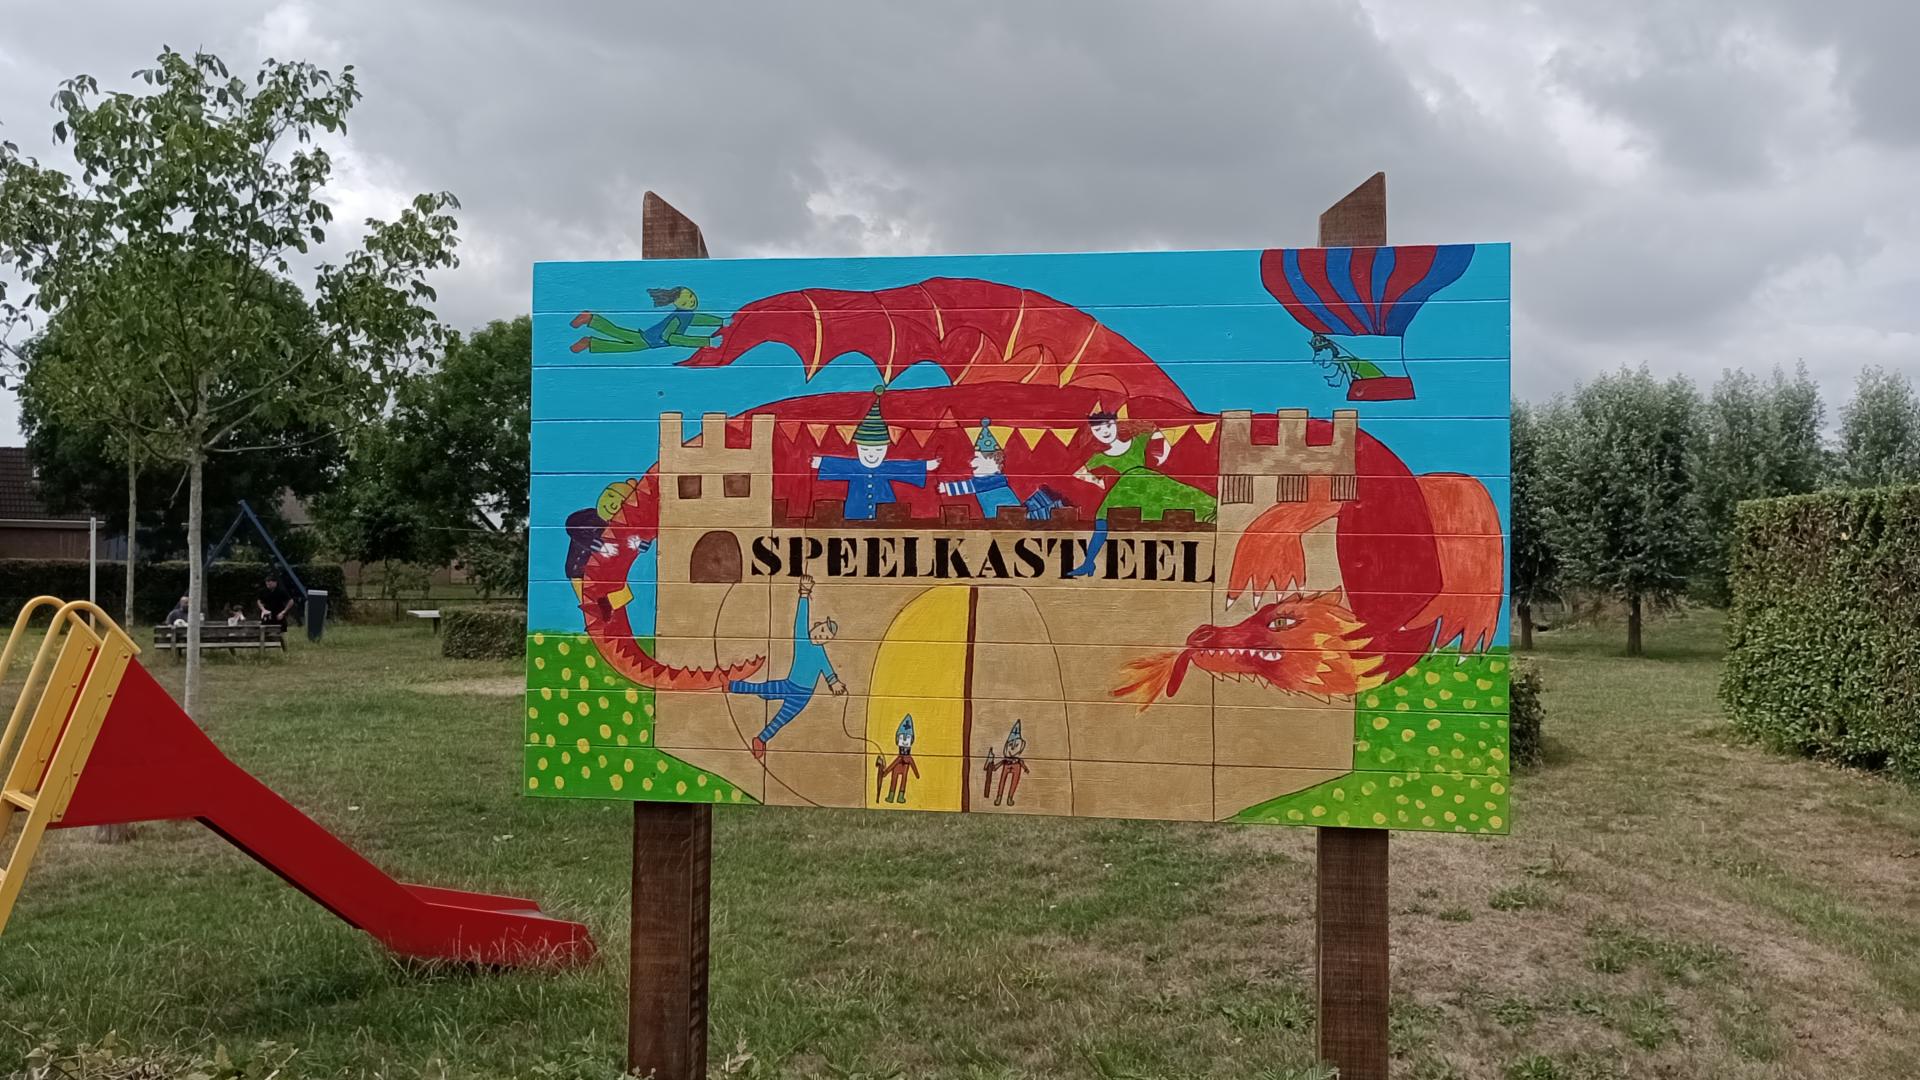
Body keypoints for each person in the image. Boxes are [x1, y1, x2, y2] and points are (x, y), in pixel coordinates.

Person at [1069, 408, 1216, 576]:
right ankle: (1089, 563)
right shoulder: (1100, 456)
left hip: (1149, 486)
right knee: (1102, 517)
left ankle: (1210, 511)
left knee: (1177, 495)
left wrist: (1163, 454)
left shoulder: (1137, 441)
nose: (1104, 432)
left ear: (1116, 424)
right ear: (1093, 432)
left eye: (1108, 425)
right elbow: (1078, 472)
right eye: (1098, 429)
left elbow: (1160, 432)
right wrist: (1098, 482)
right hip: (1125, 492)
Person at [728, 576, 847, 760]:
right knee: (763, 690)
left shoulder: (821, 654)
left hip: (802, 696)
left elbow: (828, 671)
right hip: (789, 685)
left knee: (781, 719)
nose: (821, 636)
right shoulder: (803, 641)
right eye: (822, 631)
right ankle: (731, 685)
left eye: (826, 637)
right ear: (815, 627)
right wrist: (804, 594)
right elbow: (800, 620)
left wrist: (835, 683)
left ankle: (760, 740)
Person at [810, 386, 939, 521]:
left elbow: (902, 468)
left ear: (885, 449)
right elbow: (839, 465)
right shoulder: (853, 467)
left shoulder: (887, 467)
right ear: (858, 448)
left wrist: (925, 466)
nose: (871, 455)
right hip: (856, 512)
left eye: (878, 450)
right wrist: (821, 462)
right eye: (865, 450)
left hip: (886, 513)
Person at [935, 419, 1067, 521]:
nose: (972, 462)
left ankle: (1049, 508)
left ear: (992, 460)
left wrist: (946, 488)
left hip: (1006, 515)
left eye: (977, 458)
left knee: (1022, 519)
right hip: (1001, 515)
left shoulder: (989, 480)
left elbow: (970, 486)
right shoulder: (992, 479)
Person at [569, 286, 723, 354]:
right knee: (619, 337)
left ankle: (590, 339)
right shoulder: (679, 317)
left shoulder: (687, 314)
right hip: (649, 340)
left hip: (650, 340)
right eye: (686, 300)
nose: (691, 300)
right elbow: (672, 338)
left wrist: (722, 321)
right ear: (678, 304)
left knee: (623, 344)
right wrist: (706, 341)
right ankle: (591, 321)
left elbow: (700, 319)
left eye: (691, 296)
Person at [875, 714, 921, 805]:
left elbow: (912, 765)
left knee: (903, 780)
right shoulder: (901, 758)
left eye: (907, 737)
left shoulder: (907, 758)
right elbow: (893, 765)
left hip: (903, 767)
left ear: (911, 740)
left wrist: (917, 775)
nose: (904, 740)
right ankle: (892, 797)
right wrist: (886, 772)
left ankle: (899, 797)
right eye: (901, 737)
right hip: (897, 769)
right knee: (894, 780)